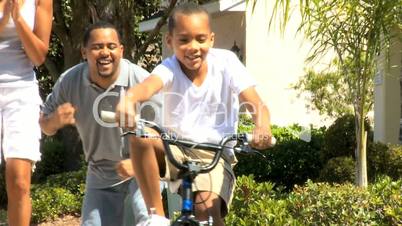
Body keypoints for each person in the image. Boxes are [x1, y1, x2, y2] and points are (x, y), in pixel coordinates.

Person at [116, 3, 273, 226]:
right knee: (141, 136)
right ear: (169, 42)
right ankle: (156, 217)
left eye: (200, 39)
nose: (193, 47)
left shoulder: (227, 62)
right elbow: (147, 87)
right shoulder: (168, 68)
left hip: (214, 155)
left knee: (206, 212)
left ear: (211, 39)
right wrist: (129, 100)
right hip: (175, 150)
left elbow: (256, 103)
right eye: (183, 40)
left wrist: (262, 126)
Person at [39, 21, 161, 226]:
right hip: (100, 171)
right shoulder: (69, 81)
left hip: (143, 166)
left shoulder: (141, 80)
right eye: (97, 47)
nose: (105, 52)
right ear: (84, 52)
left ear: (121, 51)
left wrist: (139, 162)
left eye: (111, 46)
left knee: (150, 221)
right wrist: (55, 120)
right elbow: (45, 126)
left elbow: (166, 135)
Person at [0, 0, 52, 225]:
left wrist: (19, 19)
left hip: (21, 90)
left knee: (20, 181)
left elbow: (38, 56)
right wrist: (4, 20)